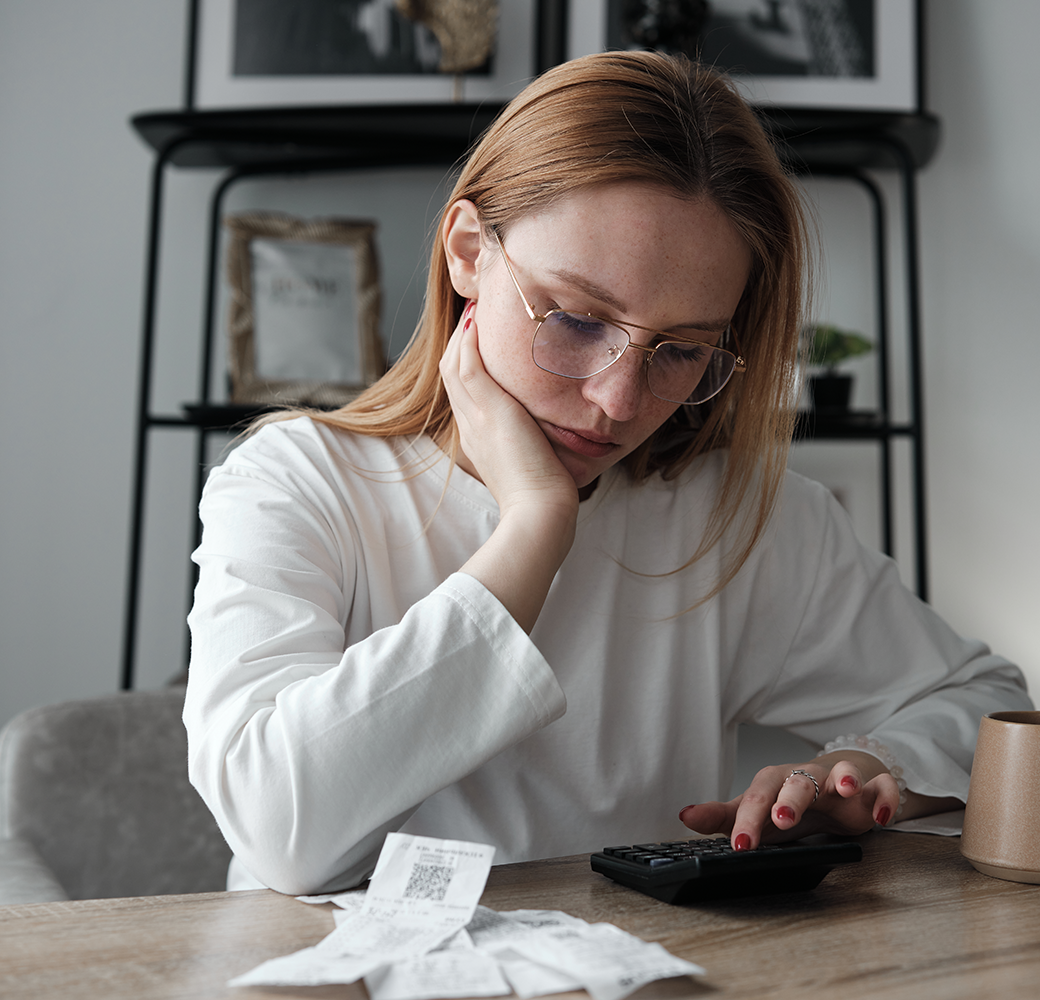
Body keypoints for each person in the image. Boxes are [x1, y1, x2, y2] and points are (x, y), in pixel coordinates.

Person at [183, 50, 1030, 896]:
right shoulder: (294, 481)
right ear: (470, 251)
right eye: (580, 320)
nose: (619, 402)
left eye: (683, 349)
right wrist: (535, 527)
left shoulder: (733, 517)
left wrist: (862, 770)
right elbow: (280, 833)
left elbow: (981, 701)